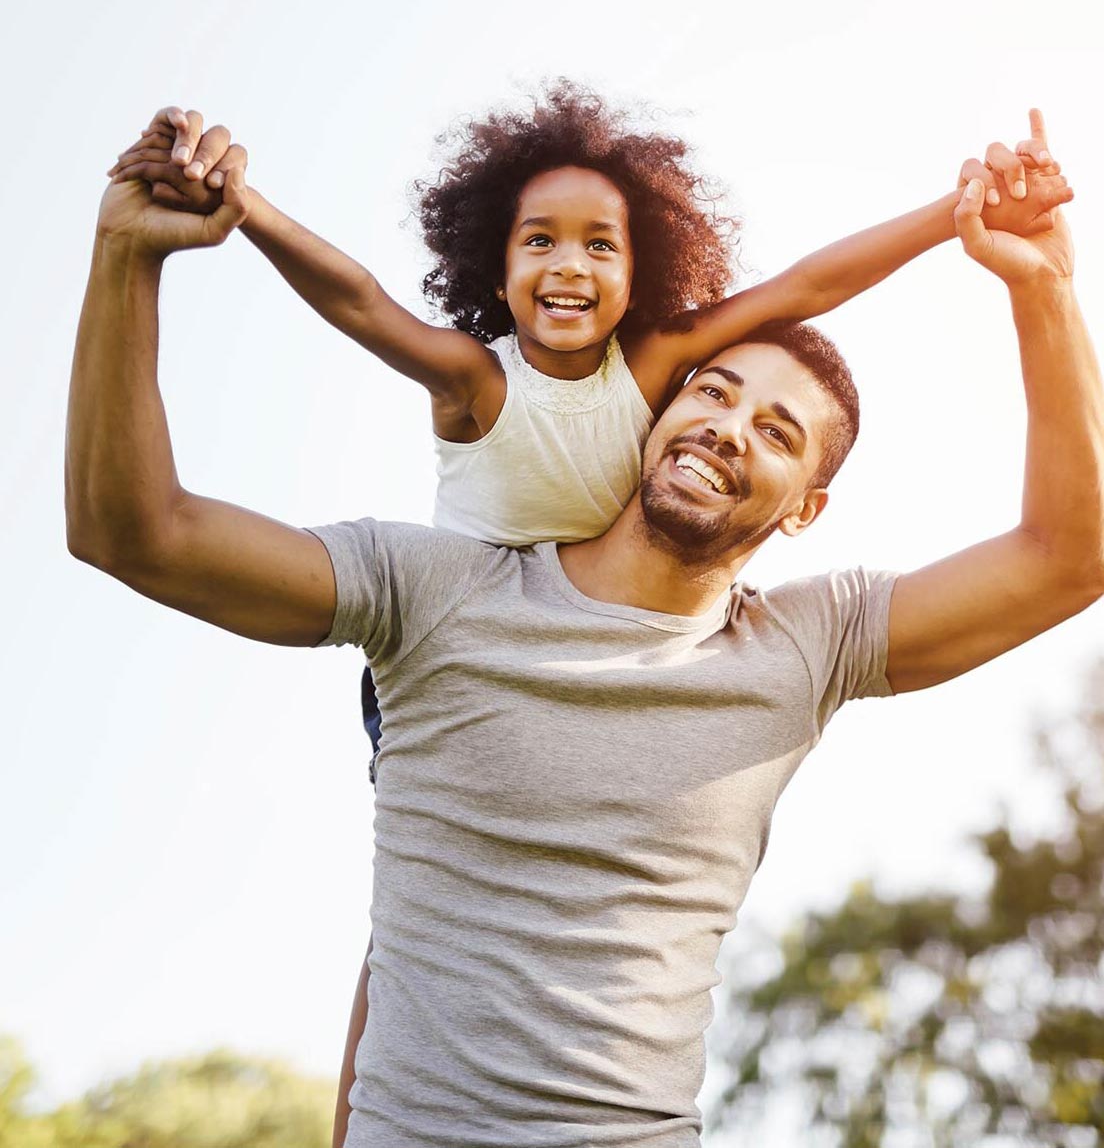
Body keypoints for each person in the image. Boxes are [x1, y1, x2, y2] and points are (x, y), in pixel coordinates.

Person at [67, 115, 1103, 1147]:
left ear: (805, 510)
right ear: (658, 407)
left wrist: (1043, 285)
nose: (726, 427)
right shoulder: (433, 591)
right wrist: (128, 257)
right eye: (713, 390)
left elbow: (1072, 555)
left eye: (776, 432)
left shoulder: (805, 645)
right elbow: (134, 530)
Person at [108, 89, 1068, 764]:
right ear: (497, 272)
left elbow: (804, 287)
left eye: (599, 245)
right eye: (540, 242)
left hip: (599, 643)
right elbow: (360, 301)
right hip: (458, 650)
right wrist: (249, 211)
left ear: (636, 278)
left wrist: (957, 214)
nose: (569, 266)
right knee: (413, 903)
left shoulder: (652, 365)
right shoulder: (474, 380)